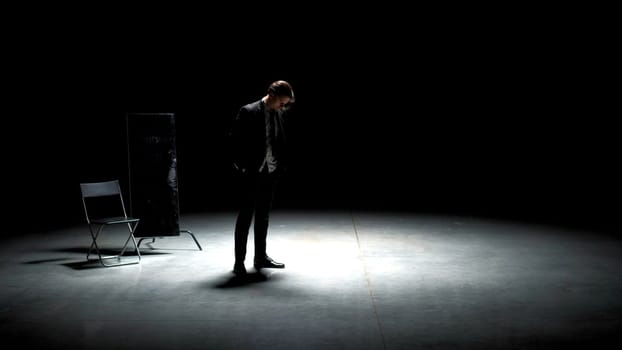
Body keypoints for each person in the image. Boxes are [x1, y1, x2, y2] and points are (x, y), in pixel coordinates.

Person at [228, 80, 295, 275]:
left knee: (263, 217)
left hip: (270, 173)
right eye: (282, 102)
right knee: (245, 217)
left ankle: (260, 257)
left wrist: (279, 167)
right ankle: (239, 262)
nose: (283, 106)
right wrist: (241, 167)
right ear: (271, 95)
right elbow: (234, 141)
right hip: (250, 173)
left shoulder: (279, 113)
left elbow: (282, 142)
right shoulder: (248, 111)